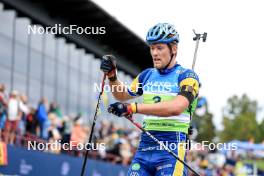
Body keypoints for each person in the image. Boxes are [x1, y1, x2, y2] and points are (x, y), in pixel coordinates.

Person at [100, 23, 200, 176]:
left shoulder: (187, 76)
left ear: (174, 49)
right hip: (145, 147)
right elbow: (122, 94)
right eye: (152, 48)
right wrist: (113, 77)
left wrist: (133, 108)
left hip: (171, 149)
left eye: (159, 48)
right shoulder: (147, 75)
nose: (154, 53)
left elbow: (177, 107)